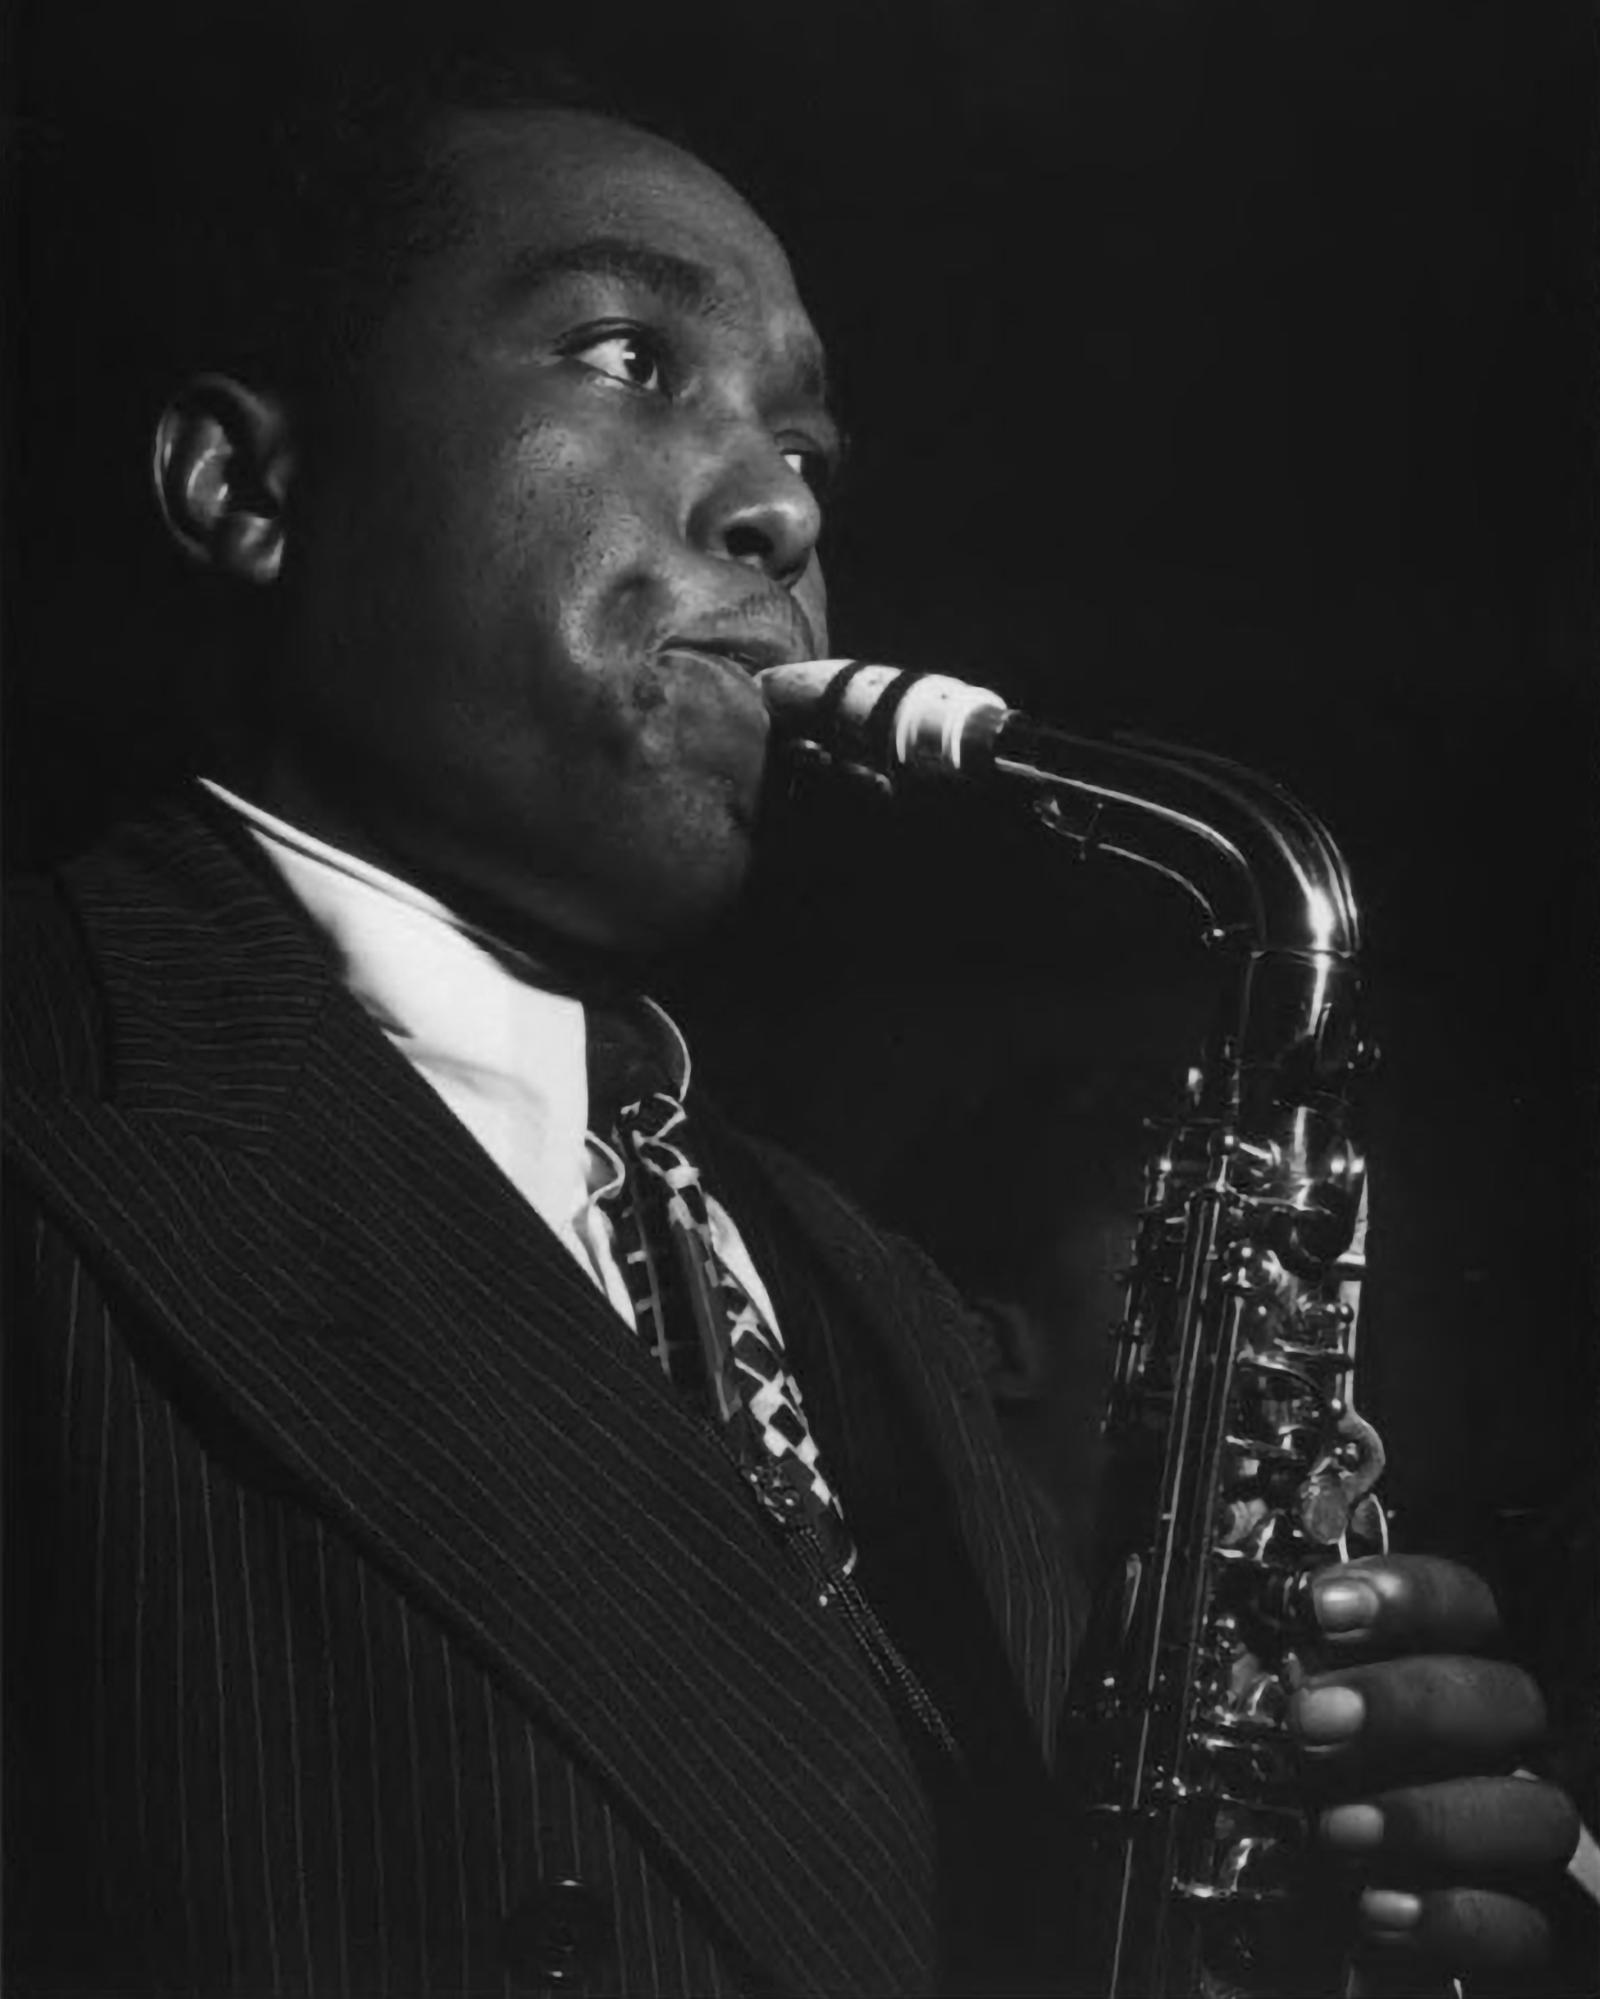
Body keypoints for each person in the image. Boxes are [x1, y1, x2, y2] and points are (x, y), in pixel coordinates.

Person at [3, 43, 1582, 1997]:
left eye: (807, 455)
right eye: (619, 357)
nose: (773, 506)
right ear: (243, 484)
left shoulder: (867, 1296)